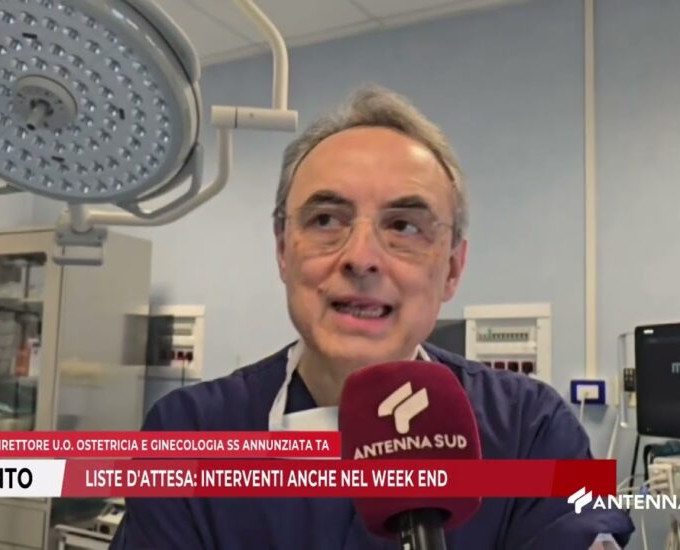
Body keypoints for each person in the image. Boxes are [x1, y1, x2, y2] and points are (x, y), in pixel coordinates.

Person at [111, 85, 634, 549]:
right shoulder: (186, 435)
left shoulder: (532, 430)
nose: (361, 257)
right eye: (325, 220)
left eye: (403, 226)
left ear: (452, 269)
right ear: (283, 251)